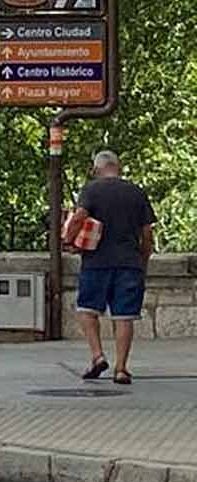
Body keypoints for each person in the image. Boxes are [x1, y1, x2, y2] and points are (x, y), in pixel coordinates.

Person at [71, 149, 155, 386]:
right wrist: (143, 259)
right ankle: (121, 369)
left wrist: (69, 240)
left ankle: (98, 356)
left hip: (96, 262)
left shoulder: (92, 189)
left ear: (96, 169)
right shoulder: (136, 192)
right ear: (119, 167)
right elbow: (147, 233)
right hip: (129, 263)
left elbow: (79, 218)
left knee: (87, 311)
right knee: (124, 317)